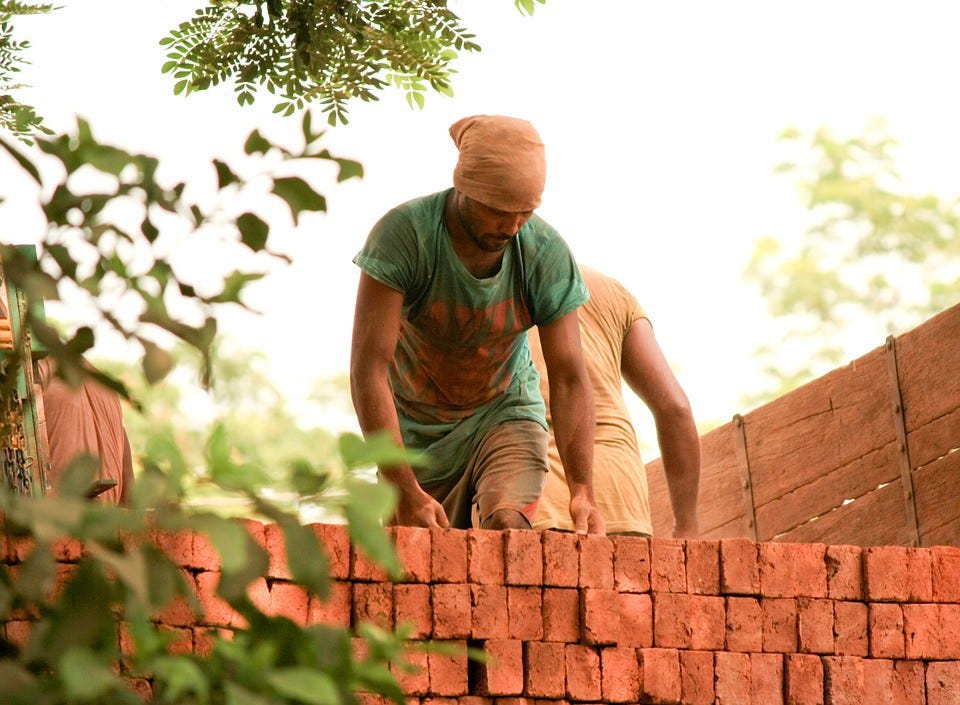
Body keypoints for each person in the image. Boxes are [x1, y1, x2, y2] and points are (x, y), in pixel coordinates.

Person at [350, 114, 603, 533]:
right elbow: (368, 367)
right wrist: (404, 486)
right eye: (497, 211)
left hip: (505, 411)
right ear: (464, 187)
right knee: (420, 555)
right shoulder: (404, 237)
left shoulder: (544, 253)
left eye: (524, 212)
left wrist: (582, 490)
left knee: (507, 524)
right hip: (417, 431)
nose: (511, 226)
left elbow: (570, 376)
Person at [529, 266, 700, 537]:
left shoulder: (505, 280)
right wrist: (687, 527)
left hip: (537, 495)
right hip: (621, 501)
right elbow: (675, 408)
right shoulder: (614, 293)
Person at [0, 308, 133, 505]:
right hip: (105, 524)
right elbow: (129, 494)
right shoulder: (106, 388)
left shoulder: (35, 374)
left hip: (56, 523)